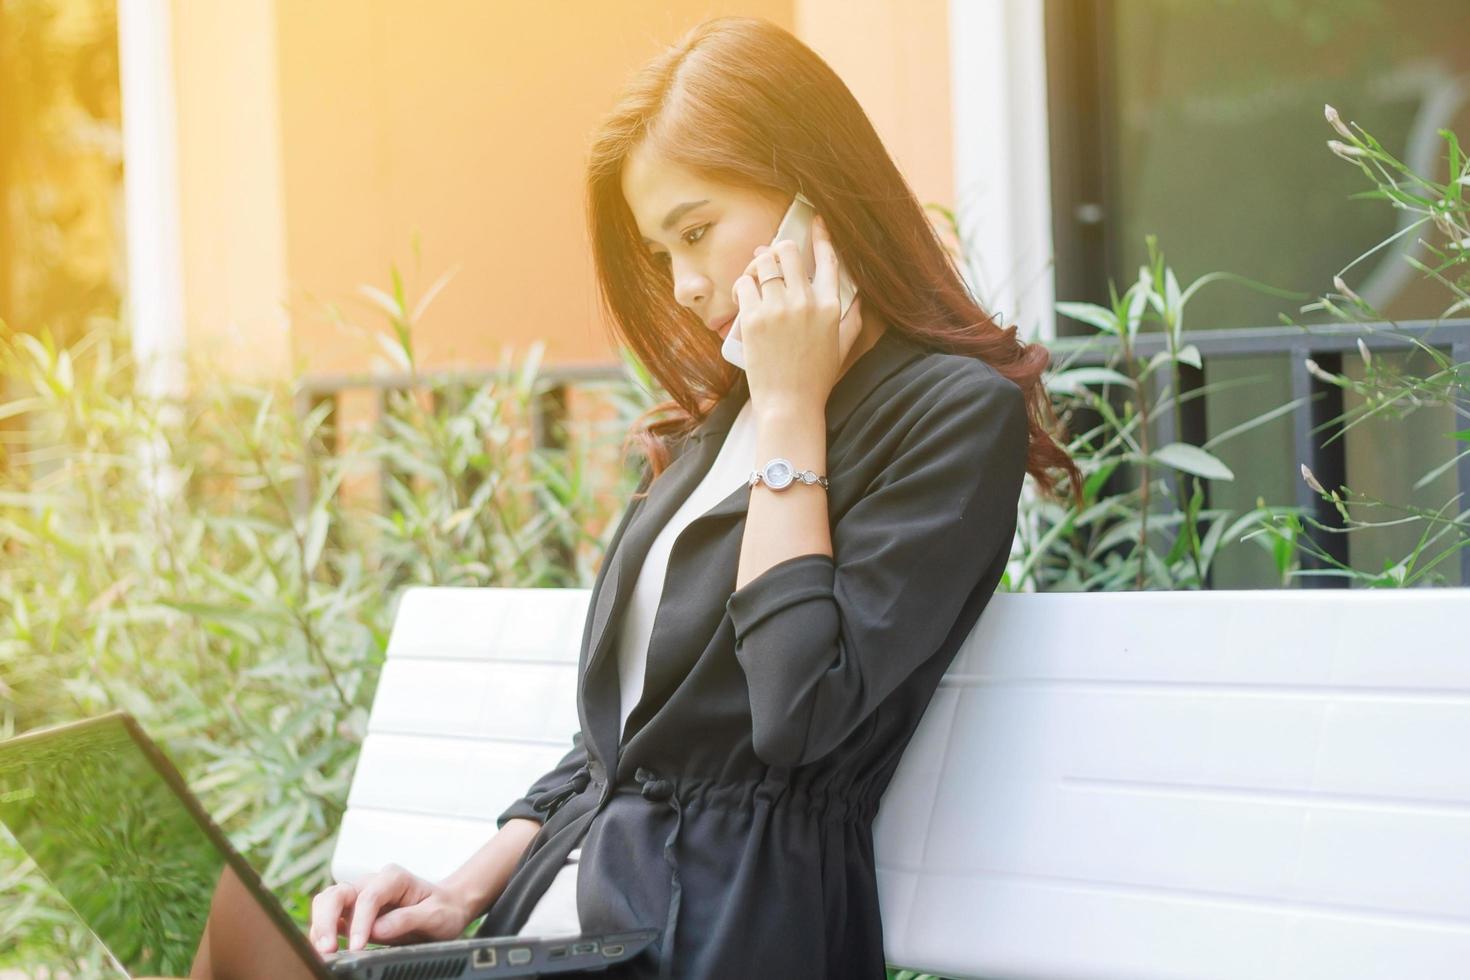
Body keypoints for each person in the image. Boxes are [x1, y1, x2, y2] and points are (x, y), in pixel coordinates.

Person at [308, 14, 1081, 979]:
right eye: (660, 250)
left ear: (815, 194)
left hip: (717, 932)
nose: (681, 284)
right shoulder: (725, 422)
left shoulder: (945, 416)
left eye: (698, 231)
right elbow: (631, 743)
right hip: (569, 921)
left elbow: (796, 712)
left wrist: (793, 407)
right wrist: (462, 887)